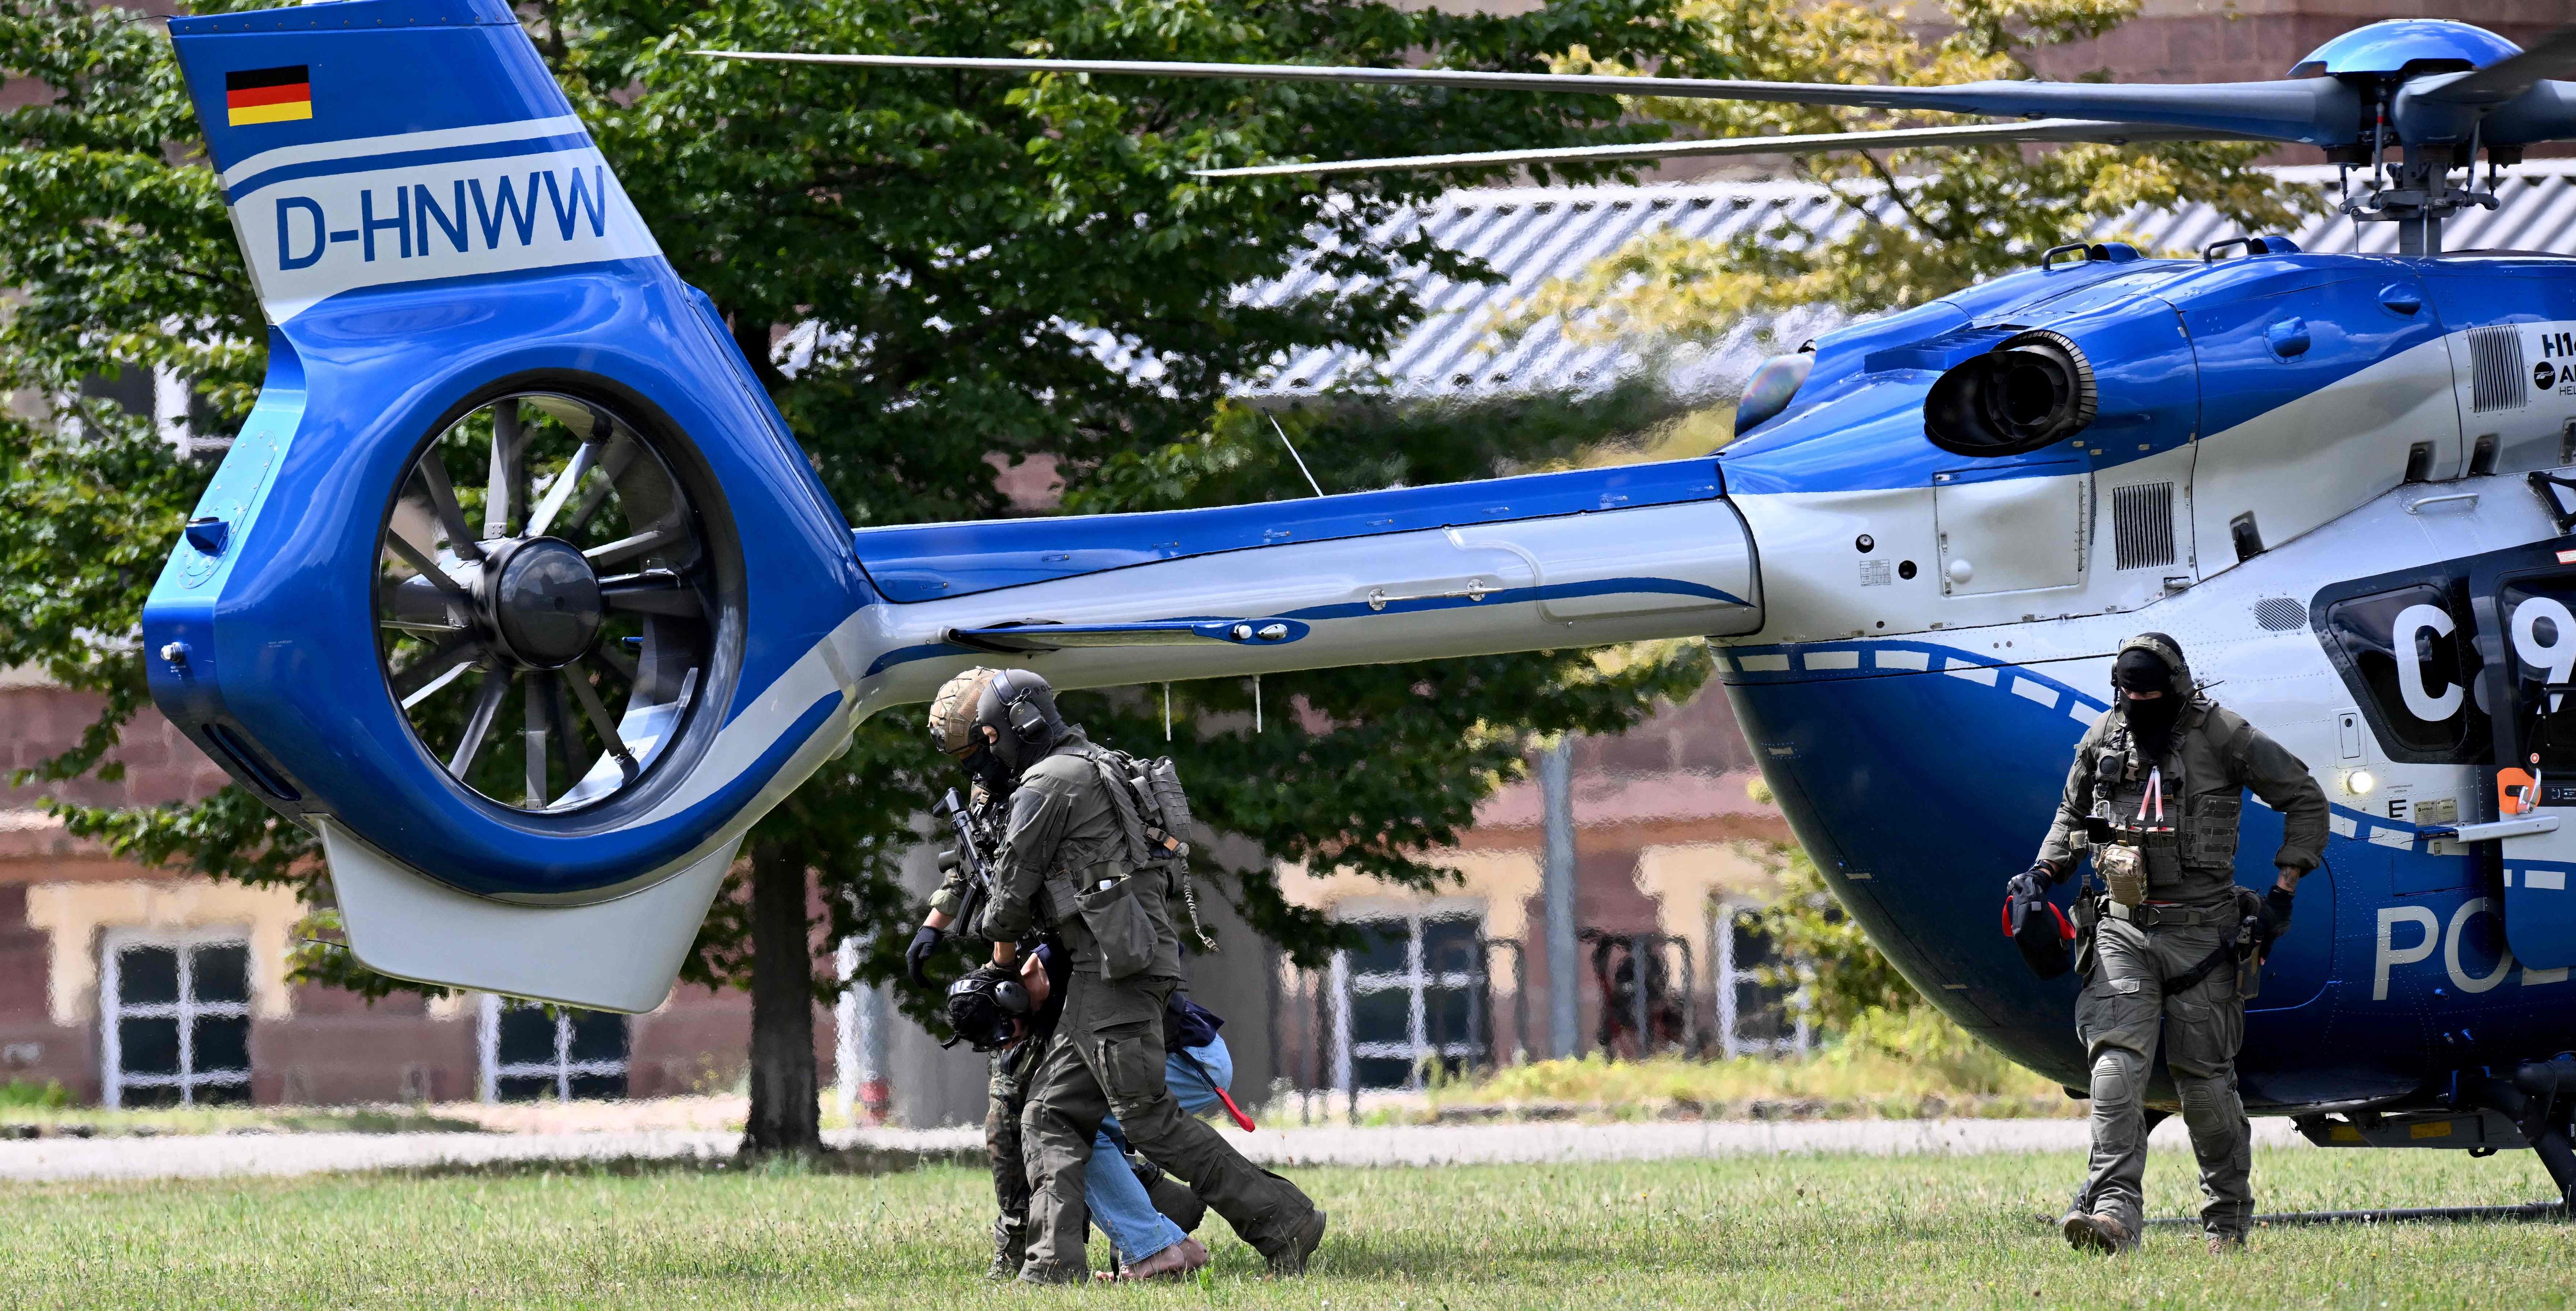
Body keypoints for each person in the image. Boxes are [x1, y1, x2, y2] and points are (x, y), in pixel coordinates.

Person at [911, 666, 1326, 1284]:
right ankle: (1055, 1264)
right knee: (1049, 1111)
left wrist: (1000, 981)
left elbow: (1009, 899)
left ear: (1018, 728)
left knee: (1146, 1118)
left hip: (1115, 971)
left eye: (988, 742)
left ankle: (1283, 1221)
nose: (984, 758)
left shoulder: (1048, 784)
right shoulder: (1085, 763)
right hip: (1108, 967)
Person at [2008, 633, 2326, 1255]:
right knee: (2114, 1068)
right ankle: (2112, 1213)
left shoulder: (2225, 736)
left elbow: (2305, 798)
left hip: (2204, 933)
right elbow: (2072, 816)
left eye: (2151, 694)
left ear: (2176, 688)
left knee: (2204, 1082)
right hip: (2122, 926)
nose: (2139, 705)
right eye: (2130, 695)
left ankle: (2227, 1222)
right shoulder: (2103, 735)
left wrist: (2283, 890)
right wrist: (2042, 875)